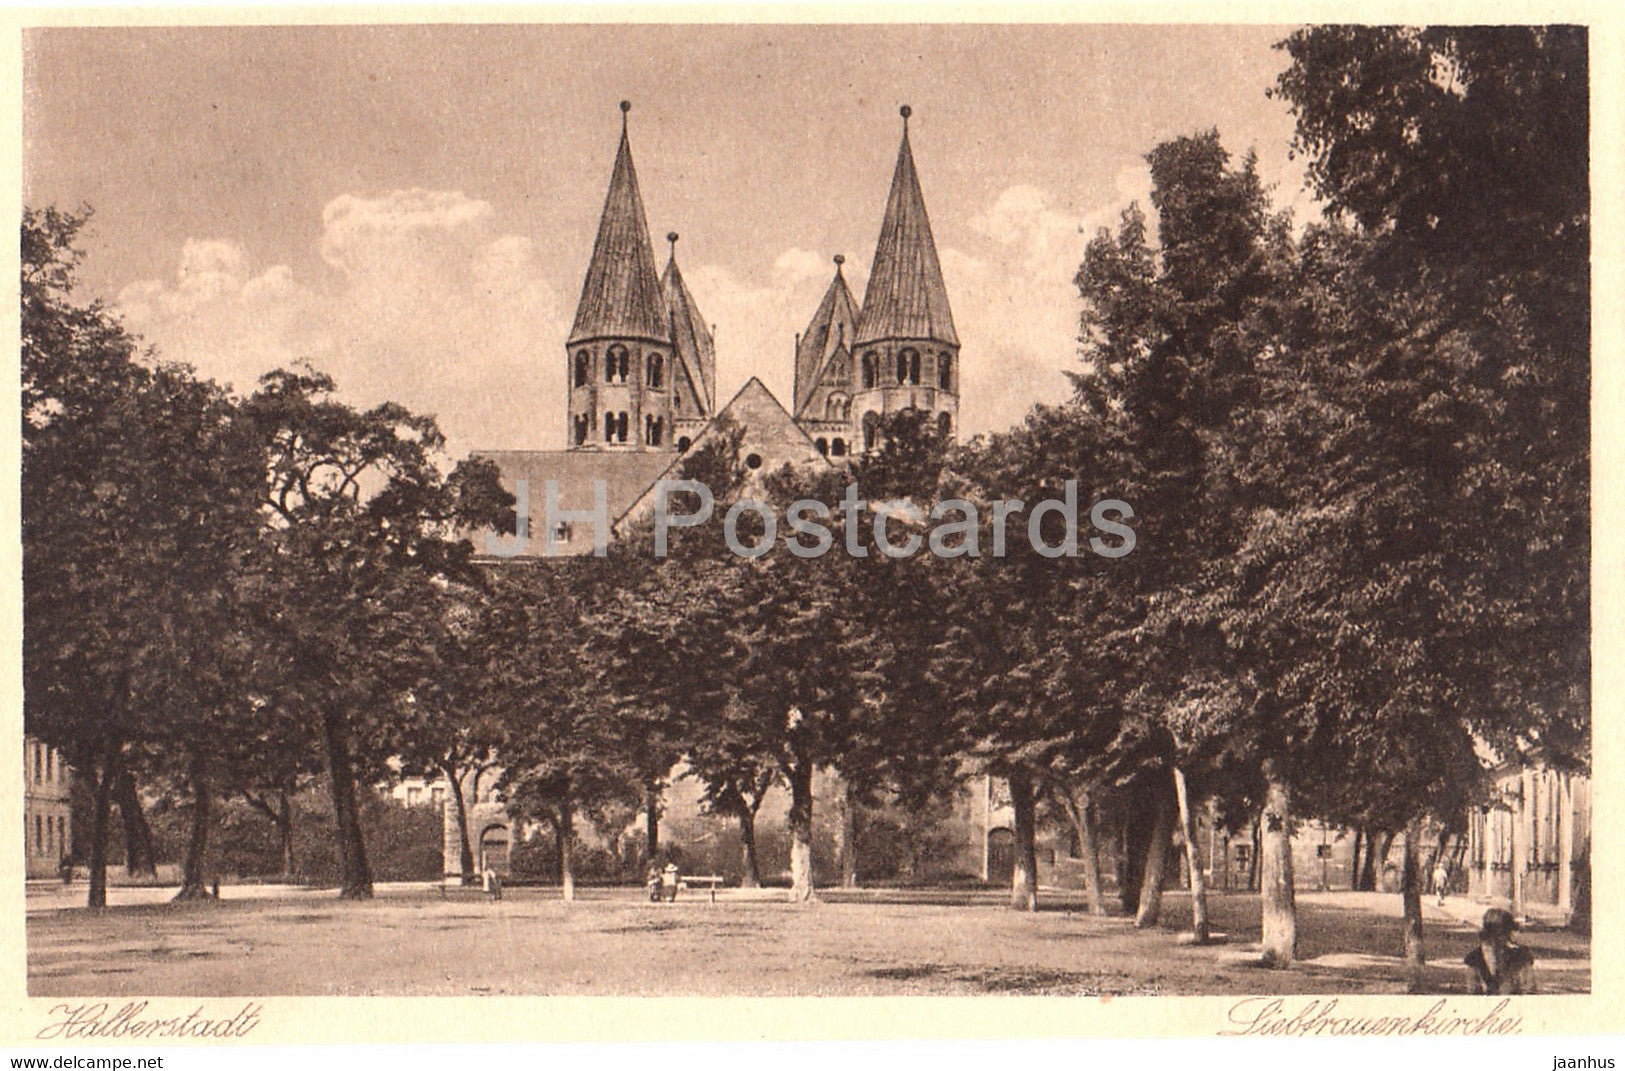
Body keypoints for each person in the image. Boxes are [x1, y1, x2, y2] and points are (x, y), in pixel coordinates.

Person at [1464, 907, 1535, 994]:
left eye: (1505, 934)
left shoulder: (1520, 958)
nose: (1503, 939)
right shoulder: (1475, 960)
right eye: (1499, 934)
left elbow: (1529, 990)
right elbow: (1472, 993)